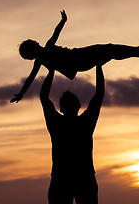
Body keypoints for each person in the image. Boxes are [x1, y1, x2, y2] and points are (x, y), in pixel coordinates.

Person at [11, 10, 139, 103]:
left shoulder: (48, 46)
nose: (35, 41)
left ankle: (137, 52)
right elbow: (30, 77)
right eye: (32, 43)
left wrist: (63, 21)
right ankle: (137, 52)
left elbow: (56, 33)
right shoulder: (41, 59)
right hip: (80, 60)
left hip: (80, 56)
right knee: (109, 50)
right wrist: (22, 93)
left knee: (109, 51)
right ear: (32, 52)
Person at [39, 65, 104, 204]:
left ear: (61, 108)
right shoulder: (86, 122)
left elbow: (44, 97)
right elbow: (99, 95)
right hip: (83, 178)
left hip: (62, 178)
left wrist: (51, 70)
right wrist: (99, 67)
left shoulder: (56, 123)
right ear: (79, 106)